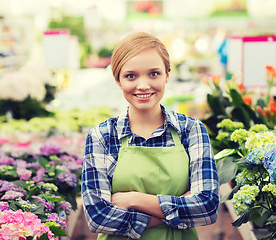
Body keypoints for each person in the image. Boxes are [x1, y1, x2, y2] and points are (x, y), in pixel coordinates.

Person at [81, 32, 219, 240]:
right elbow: (98, 216)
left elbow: (207, 207)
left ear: (167, 75)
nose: (143, 85)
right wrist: (178, 208)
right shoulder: (102, 136)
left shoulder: (191, 130)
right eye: (131, 76)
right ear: (118, 80)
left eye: (154, 74)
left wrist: (135, 200)